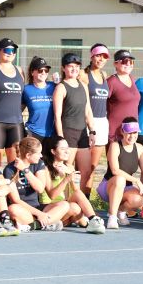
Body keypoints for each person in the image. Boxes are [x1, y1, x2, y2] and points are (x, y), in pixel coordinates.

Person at [40, 136, 106, 234]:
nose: (67, 151)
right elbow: (52, 195)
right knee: (76, 211)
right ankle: (84, 220)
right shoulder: (45, 168)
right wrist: (66, 180)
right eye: (63, 149)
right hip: (49, 208)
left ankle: (93, 220)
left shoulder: (69, 167)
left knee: (76, 205)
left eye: (67, 148)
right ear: (53, 151)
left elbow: (77, 192)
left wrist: (71, 174)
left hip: (66, 205)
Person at [97, 118, 143, 229]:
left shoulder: (139, 147)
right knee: (120, 179)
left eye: (135, 132)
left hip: (126, 189)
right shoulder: (115, 146)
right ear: (122, 132)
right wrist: (136, 180)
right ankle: (112, 217)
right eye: (129, 133)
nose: (132, 136)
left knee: (140, 199)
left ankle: (120, 211)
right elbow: (115, 170)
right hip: (109, 186)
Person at [53, 53, 96, 196]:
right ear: (63, 68)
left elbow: (88, 110)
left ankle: (82, 203)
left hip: (82, 133)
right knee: (67, 171)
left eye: (77, 66)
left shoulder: (83, 86)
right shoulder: (61, 87)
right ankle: (65, 204)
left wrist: (92, 131)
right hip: (68, 133)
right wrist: (61, 138)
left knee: (87, 171)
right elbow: (57, 116)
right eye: (70, 66)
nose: (74, 69)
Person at [3, 137, 67, 232]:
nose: (41, 155)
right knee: (12, 209)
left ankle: (34, 225)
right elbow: (15, 200)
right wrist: (39, 214)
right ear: (28, 155)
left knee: (64, 205)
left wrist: (25, 170)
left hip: (38, 207)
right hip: (23, 210)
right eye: (38, 153)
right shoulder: (9, 169)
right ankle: (47, 223)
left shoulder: (38, 163)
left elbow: (40, 188)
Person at [0, 38, 26, 169]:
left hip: (16, 122)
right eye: (7, 50)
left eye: (13, 50)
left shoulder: (20, 70)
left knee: (16, 162)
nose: (11, 53)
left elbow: (22, 96)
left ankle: (12, 189)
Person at [79, 44, 110, 195]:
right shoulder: (83, 74)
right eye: (98, 55)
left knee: (92, 168)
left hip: (102, 122)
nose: (101, 59)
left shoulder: (104, 75)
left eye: (104, 56)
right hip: (87, 122)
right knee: (81, 168)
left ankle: (86, 202)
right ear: (91, 56)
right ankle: (74, 200)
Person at [106, 50, 140, 145]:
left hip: (131, 130)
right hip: (116, 130)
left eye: (131, 61)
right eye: (124, 61)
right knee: (114, 157)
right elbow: (101, 104)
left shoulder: (133, 79)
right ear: (115, 64)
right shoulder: (111, 81)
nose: (128, 64)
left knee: (129, 159)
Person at [22, 56, 55, 152]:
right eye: (40, 70)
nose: (44, 73)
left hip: (52, 133)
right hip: (33, 132)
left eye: (46, 70)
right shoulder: (26, 89)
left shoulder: (54, 86)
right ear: (32, 72)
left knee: (49, 164)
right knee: (33, 163)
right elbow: (18, 110)